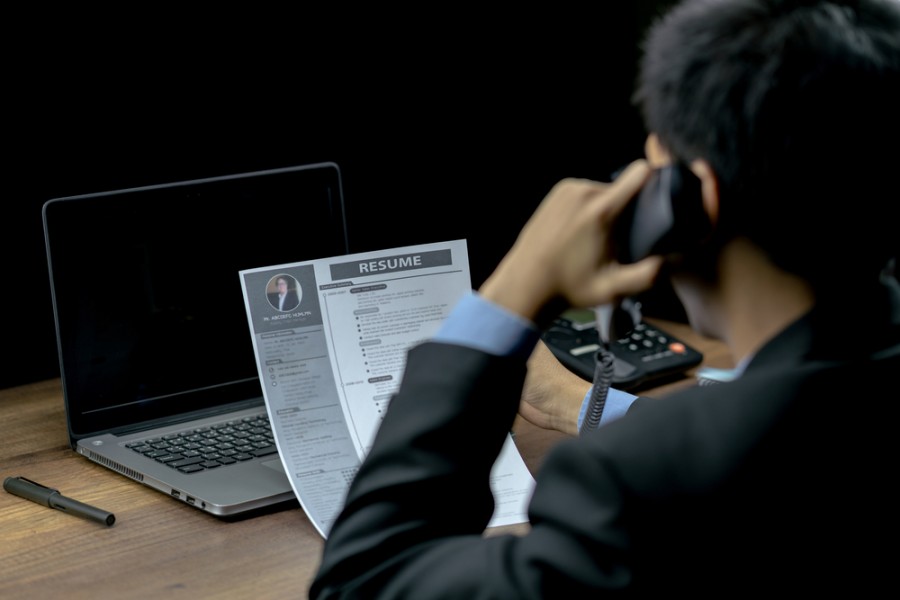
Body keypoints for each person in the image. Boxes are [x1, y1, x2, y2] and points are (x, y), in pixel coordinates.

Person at [310, 0, 900, 596]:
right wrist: (587, 406)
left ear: (696, 198)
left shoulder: (634, 487)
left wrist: (515, 291)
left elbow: (365, 579)